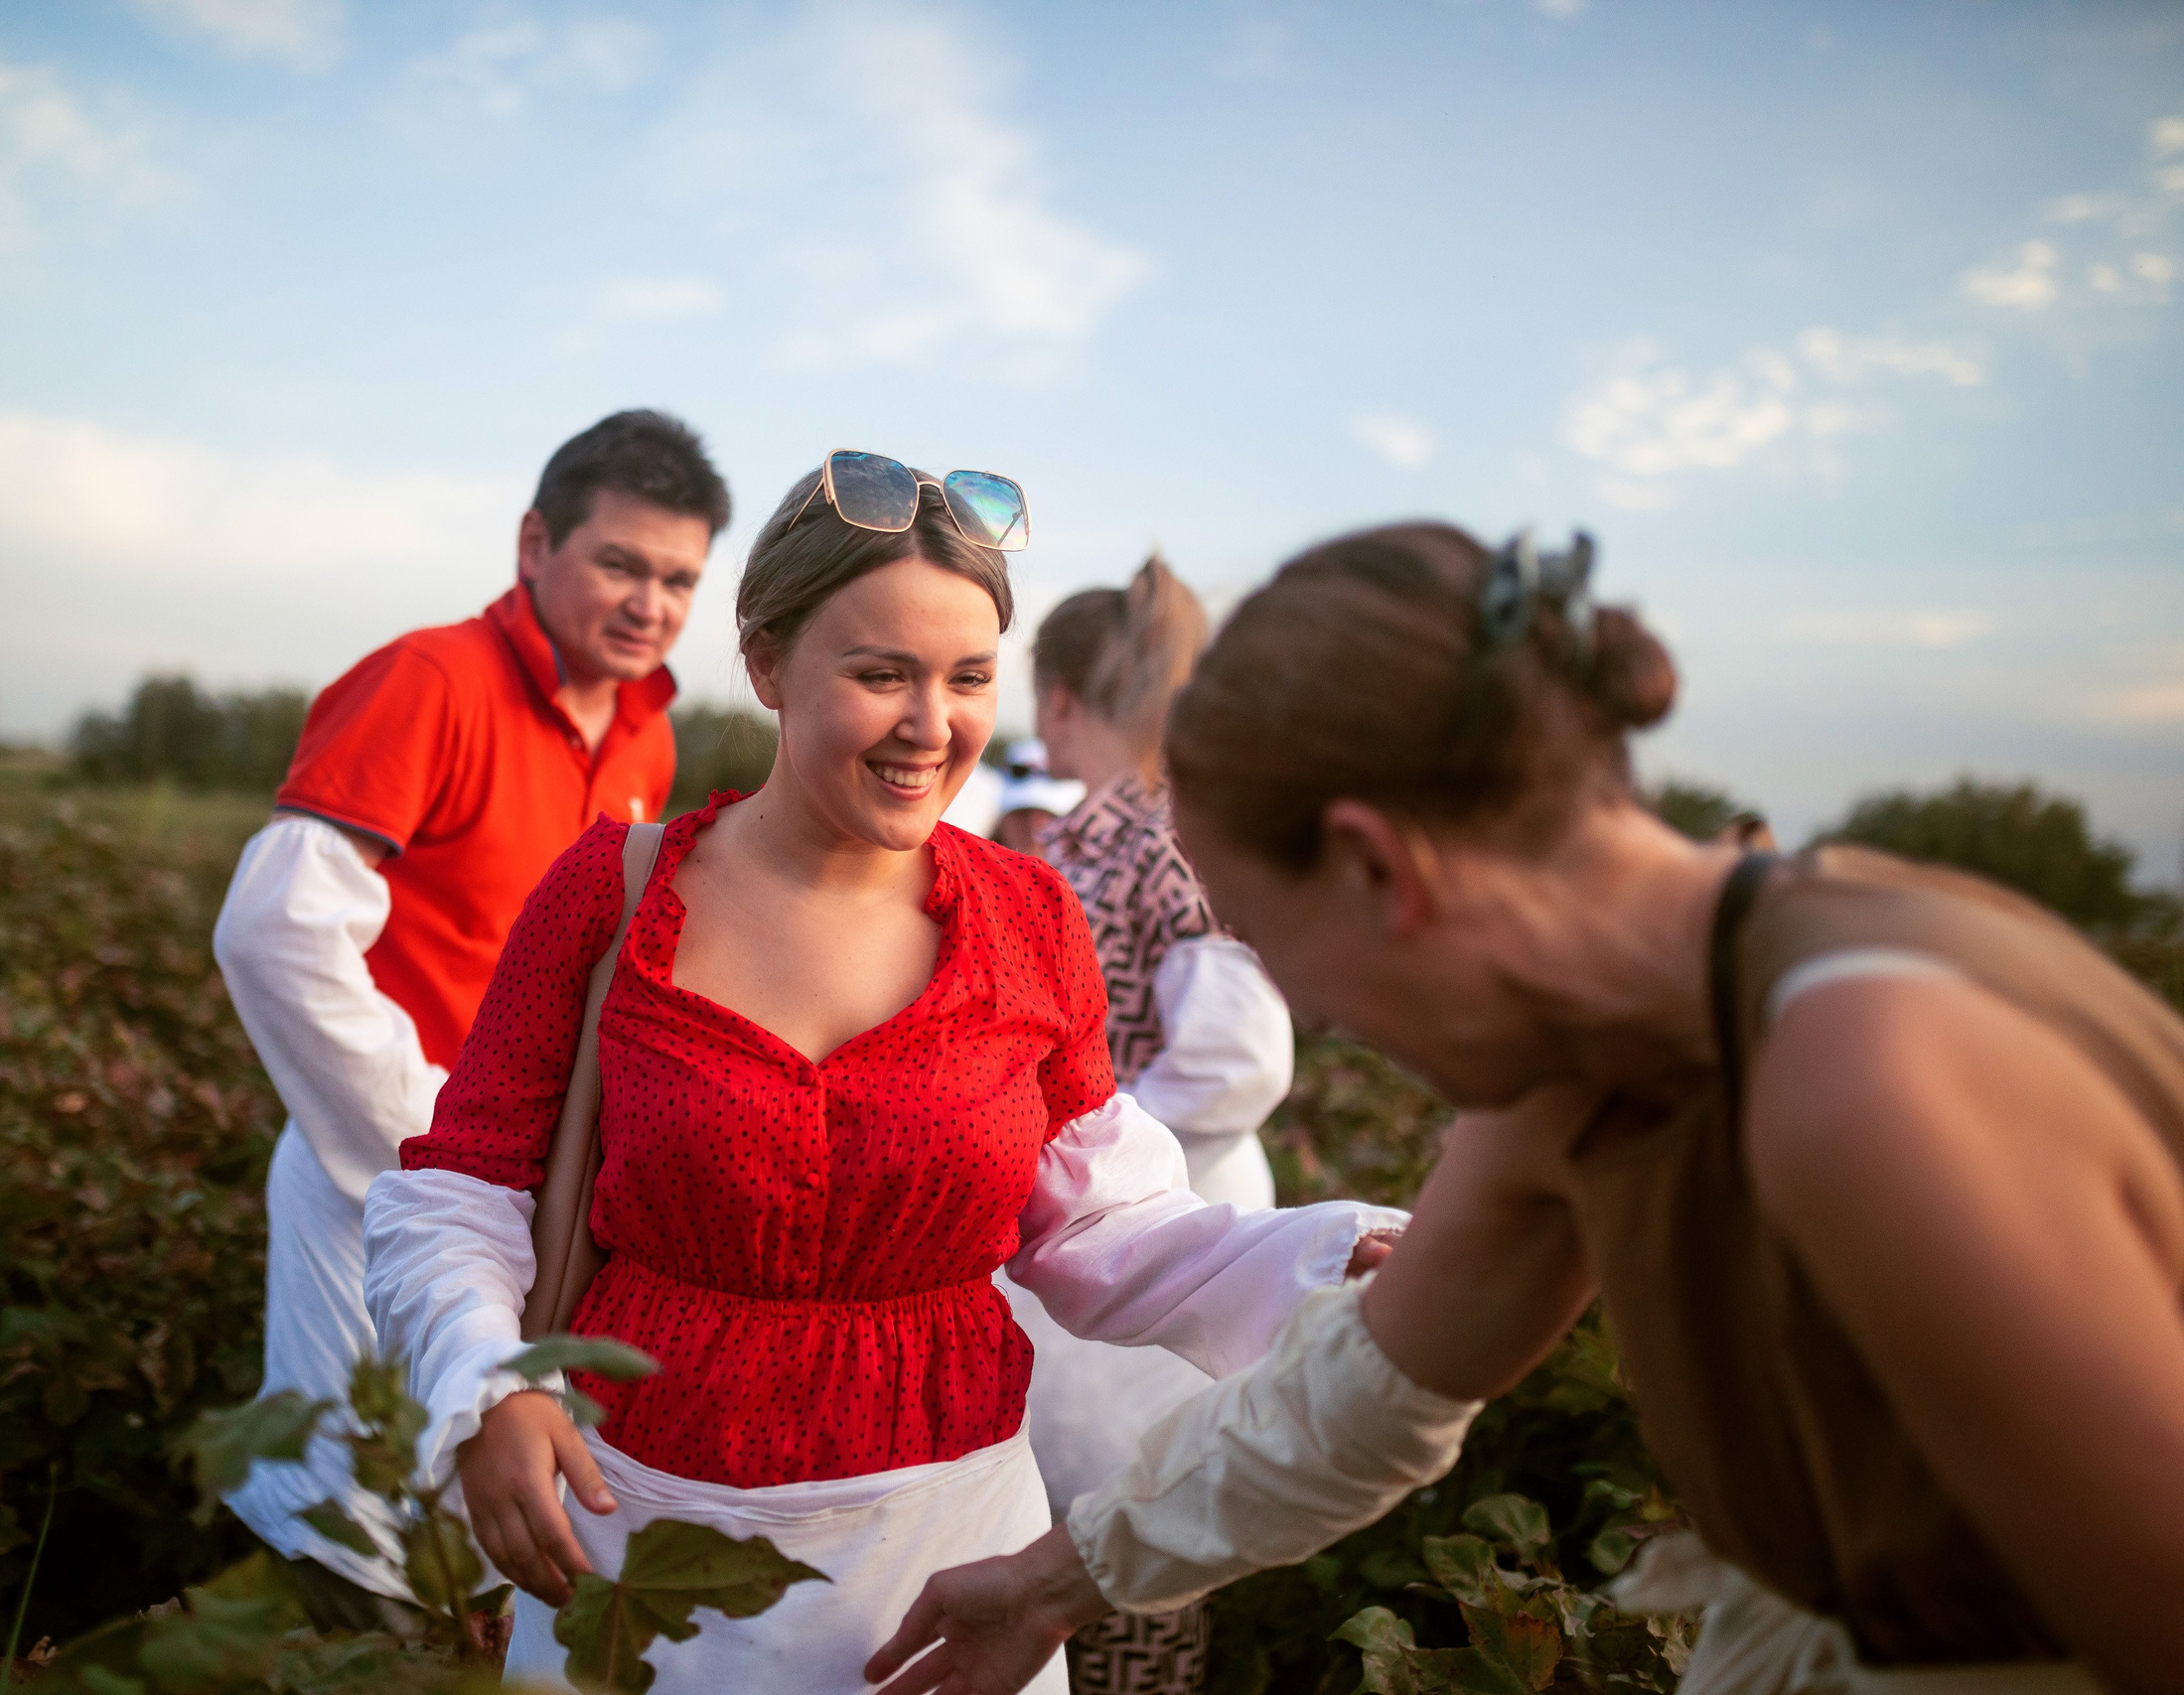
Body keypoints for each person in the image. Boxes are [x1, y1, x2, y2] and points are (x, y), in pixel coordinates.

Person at [870, 521, 2184, 1695]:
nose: (1314, 1011)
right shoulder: (1590, 1067)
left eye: (1275, 938)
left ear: (1379, 867)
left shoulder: (1861, 1080)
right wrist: (1051, 1585)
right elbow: (1361, 1396)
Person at [359, 453, 1399, 1692]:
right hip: (633, 1533)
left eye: (969, 677)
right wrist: (488, 1390)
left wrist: (1325, 1257)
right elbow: (463, 1186)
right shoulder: (612, 891)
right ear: (766, 665)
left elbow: (1106, 1223)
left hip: (942, 1558)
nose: (931, 725)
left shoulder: (1029, 918)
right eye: (879, 674)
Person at [209, 409, 730, 1618]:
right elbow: (277, 928)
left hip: (523, 1186)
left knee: (490, 1513)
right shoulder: (430, 680)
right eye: (620, 564)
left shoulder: (644, 733)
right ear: (534, 543)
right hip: (389, 1161)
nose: (649, 604)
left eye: (678, 581)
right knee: (358, 1514)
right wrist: (423, 1141)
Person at [1012, 556, 1319, 1694]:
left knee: (1122, 1526)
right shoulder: (1120, 836)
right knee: (1106, 1526)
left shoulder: (1153, 842)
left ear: (1056, 699)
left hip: (1155, 1220)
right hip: (1117, 1231)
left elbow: (1241, 1057)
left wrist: (1088, 1141)